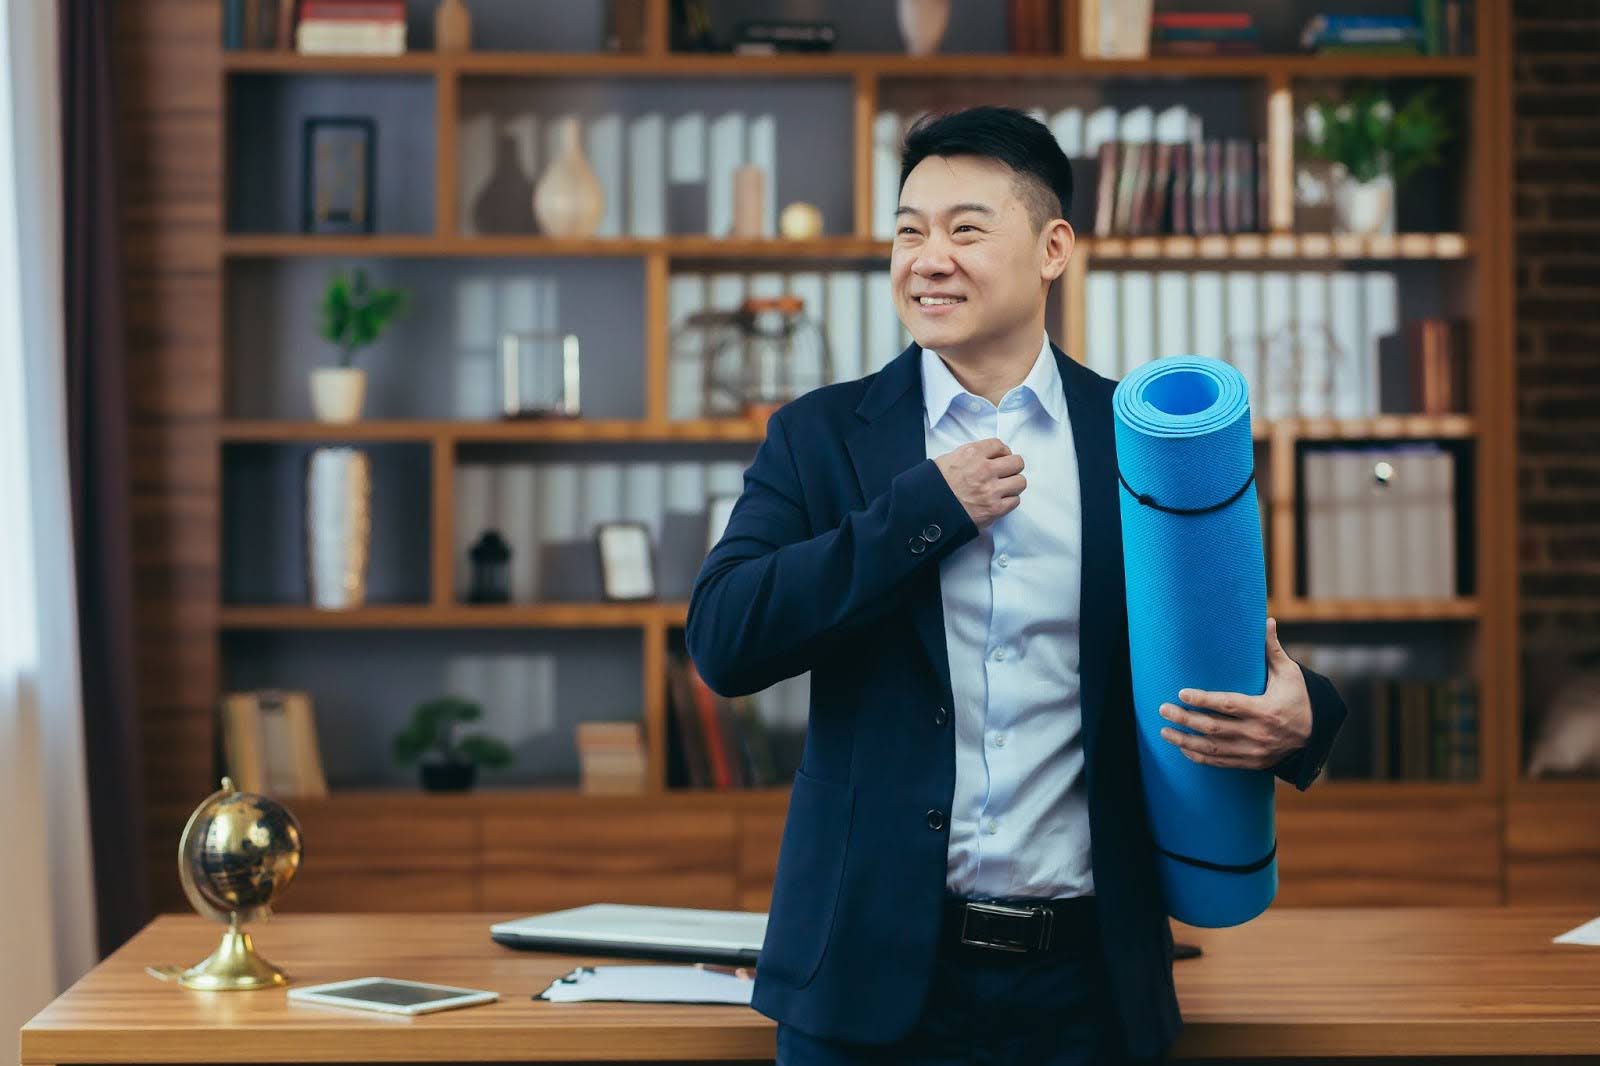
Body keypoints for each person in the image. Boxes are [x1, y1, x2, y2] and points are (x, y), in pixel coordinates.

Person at [685, 105, 1348, 1065]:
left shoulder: (1134, 439)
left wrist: (1304, 722)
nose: (927, 257)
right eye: (908, 231)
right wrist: (922, 512)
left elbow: (1230, 637)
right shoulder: (820, 436)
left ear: (1052, 248)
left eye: (965, 228)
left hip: (1085, 991)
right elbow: (725, 638)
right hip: (867, 986)